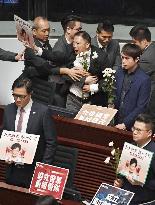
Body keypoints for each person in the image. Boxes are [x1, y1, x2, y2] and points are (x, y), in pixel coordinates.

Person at [1, 78, 57, 188]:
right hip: (12, 169)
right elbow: (4, 134)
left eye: (22, 96)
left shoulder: (43, 112)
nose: (17, 99)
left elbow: (51, 142)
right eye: (15, 95)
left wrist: (43, 168)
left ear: (30, 94)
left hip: (33, 170)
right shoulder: (8, 109)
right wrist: (4, 154)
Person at [114, 113, 155, 204]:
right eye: (134, 128)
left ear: (149, 133)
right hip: (124, 195)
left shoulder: (153, 151)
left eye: (139, 130)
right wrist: (120, 181)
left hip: (143, 199)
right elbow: (124, 172)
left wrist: (142, 183)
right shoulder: (131, 146)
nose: (134, 132)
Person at [66, 31, 110, 113]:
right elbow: (64, 73)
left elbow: (108, 77)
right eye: (74, 43)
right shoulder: (70, 52)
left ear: (87, 45)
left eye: (78, 43)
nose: (74, 46)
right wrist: (83, 80)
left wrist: (94, 88)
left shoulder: (101, 56)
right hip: (73, 99)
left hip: (92, 101)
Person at [114, 43, 151, 131]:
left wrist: (125, 123)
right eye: (122, 57)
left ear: (137, 59)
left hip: (131, 124)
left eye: (127, 58)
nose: (123, 61)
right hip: (116, 118)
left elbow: (141, 107)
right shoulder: (119, 72)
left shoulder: (144, 79)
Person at [129, 25, 155, 117]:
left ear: (144, 42)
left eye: (135, 42)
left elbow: (133, 74)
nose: (133, 45)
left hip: (150, 100)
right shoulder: (152, 47)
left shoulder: (147, 58)